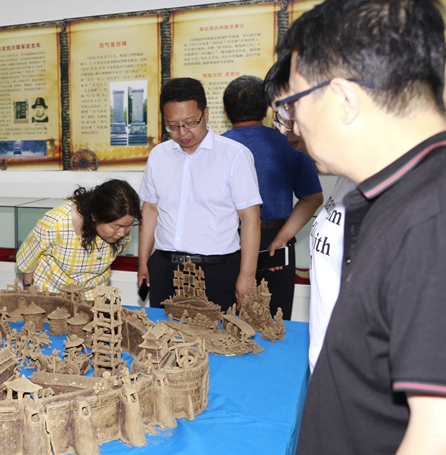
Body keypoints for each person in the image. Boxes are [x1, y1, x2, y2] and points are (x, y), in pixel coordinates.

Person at [280, 0, 446, 455]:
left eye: (294, 103)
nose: (293, 123)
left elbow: (440, 450)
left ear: (344, 98)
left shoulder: (431, 218)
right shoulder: (389, 198)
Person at [137, 77, 262, 311]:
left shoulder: (234, 155)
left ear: (206, 113)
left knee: (216, 333)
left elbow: (250, 217)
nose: (182, 132)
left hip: (217, 271)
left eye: (190, 123)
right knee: (163, 331)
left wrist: (247, 274)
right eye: (173, 126)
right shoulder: (158, 155)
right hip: (165, 268)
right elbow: (150, 209)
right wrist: (143, 261)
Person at [264, 55, 355, 372]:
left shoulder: (408, 196)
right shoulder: (348, 180)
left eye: (290, 114)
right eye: (280, 118)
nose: (285, 131)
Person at [222, 74, 323, 319]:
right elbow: (312, 198)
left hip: (227, 244)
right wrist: (282, 238)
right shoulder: (290, 143)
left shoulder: (216, 148)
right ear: (268, 108)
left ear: (225, 112)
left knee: (227, 325)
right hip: (275, 247)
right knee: (275, 326)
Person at [16, 180, 140, 298]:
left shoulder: (120, 229)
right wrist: (29, 287)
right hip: (52, 292)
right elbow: (29, 257)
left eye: (129, 225)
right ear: (95, 216)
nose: (122, 233)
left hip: (92, 293)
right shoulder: (57, 223)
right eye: (116, 226)